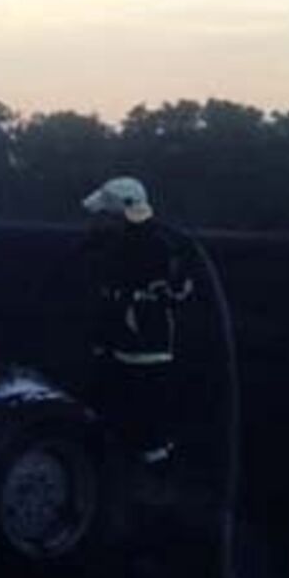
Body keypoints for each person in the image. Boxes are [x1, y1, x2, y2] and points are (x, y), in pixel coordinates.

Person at [80, 176, 193, 469]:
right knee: (115, 401)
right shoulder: (112, 244)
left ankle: (153, 472)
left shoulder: (159, 246)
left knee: (147, 408)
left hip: (145, 340)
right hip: (116, 335)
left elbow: (178, 292)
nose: (99, 222)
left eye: (107, 215)